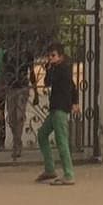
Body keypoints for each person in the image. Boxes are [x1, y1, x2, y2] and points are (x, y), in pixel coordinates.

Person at [33, 41, 77, 186]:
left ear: (61, 56)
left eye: (53, 55)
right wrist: (75, 102)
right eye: (49, 55)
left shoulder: (61, 69)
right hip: (55, 108)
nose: (50, 58)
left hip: (60, 109)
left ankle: (69, 174)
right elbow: (72, 86)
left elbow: (48, 82)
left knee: (61, 141)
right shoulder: (61, 68)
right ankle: (50, 169)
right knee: (42, 135)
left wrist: (49, 68)